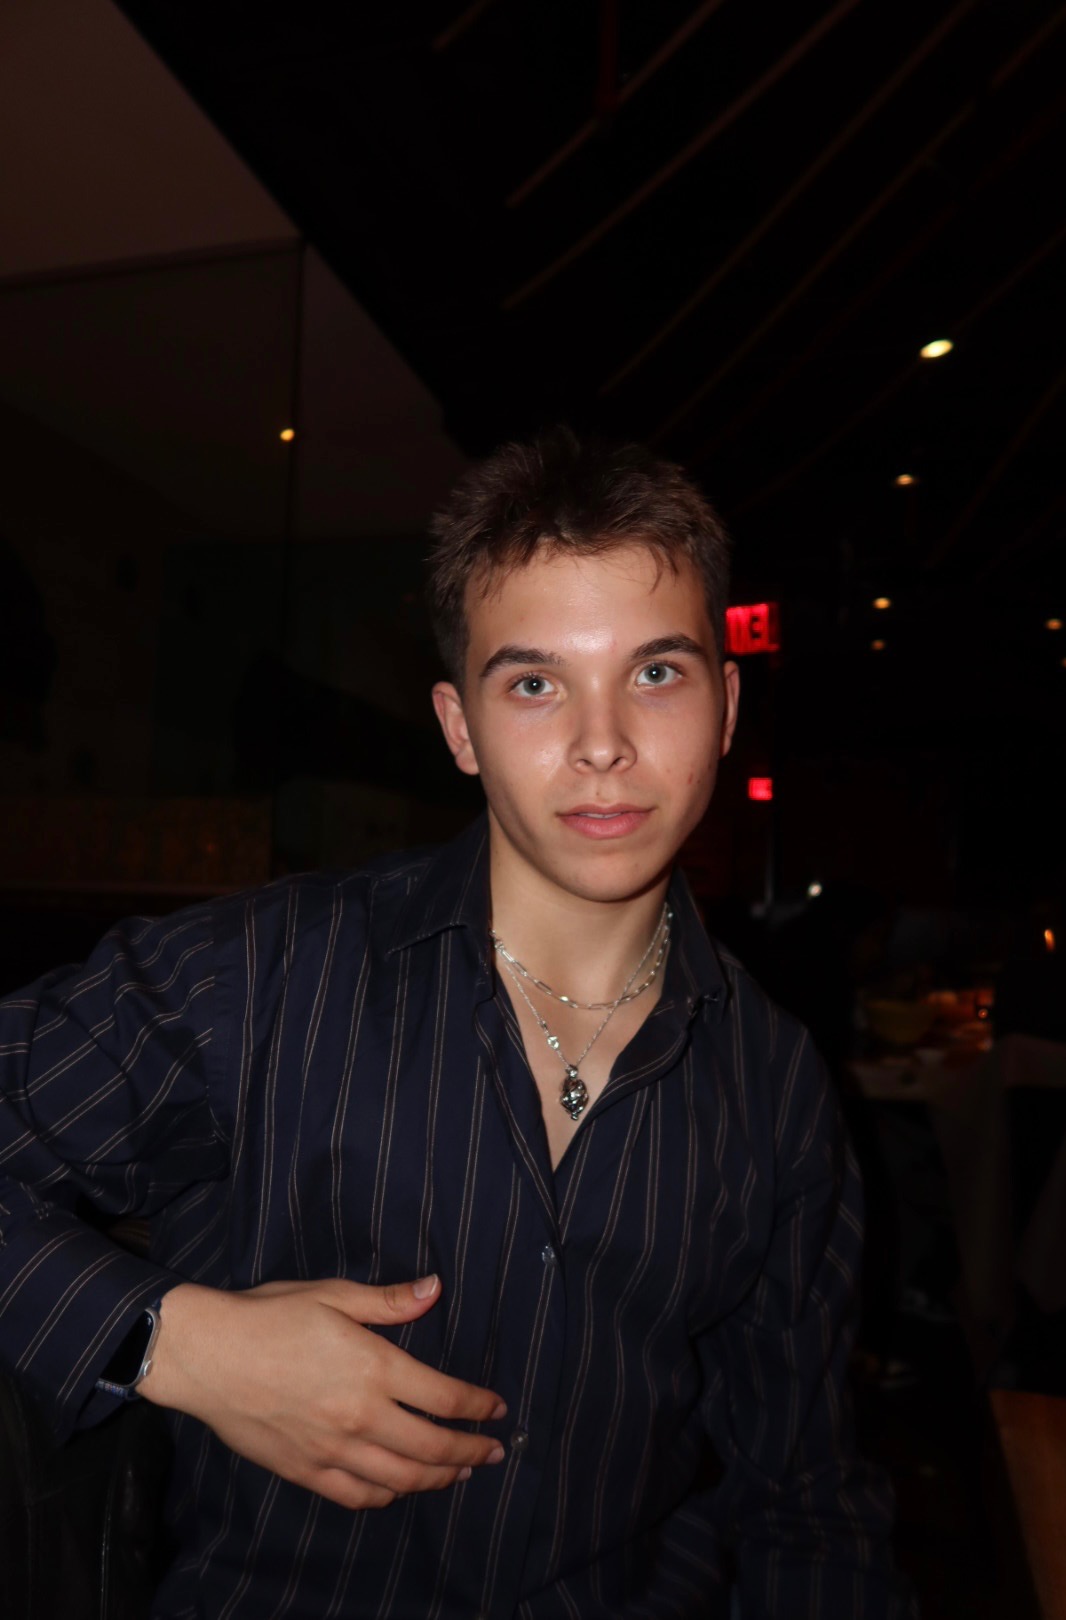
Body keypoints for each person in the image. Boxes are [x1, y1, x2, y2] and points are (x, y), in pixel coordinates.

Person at [0, 430, 912, 1618]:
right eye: (535, 682)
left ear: (726, 701)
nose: (602, 743)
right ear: (459, 726)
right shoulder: (263, 973)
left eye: (656, 672)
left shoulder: (779, 1085)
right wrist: (173, 1342)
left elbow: (803, 1497)